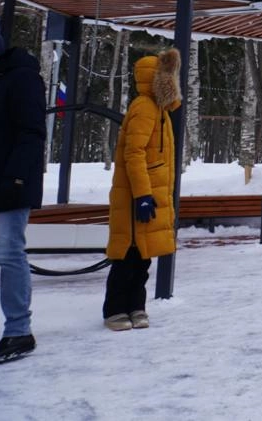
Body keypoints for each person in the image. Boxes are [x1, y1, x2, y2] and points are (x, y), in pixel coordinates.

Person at [103, 48, 181, 332]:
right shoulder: (145, 108)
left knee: (142, 255)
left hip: (151, 192)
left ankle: (136, 305)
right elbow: (134, 154)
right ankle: (115, 310)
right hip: (139, 194)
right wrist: (142, 194)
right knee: (128, 255)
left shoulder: (159, 110)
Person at [0, 27, 45, 364]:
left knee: (8, 253)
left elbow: (31, 132)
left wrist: (17, 178)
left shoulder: (21, 78)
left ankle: (19, 330)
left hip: (11, 183)